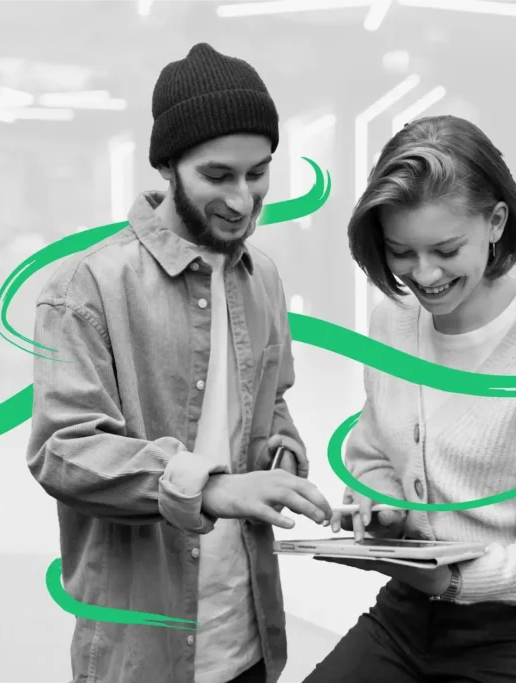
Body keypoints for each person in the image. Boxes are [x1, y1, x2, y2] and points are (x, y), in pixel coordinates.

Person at [26, 43, 333, 683]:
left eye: (259, 173)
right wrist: (209, 486)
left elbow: (271, 402)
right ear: (168, 165)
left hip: (248, 633)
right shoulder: (85, 287)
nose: (244, 199)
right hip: (145, 650)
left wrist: (283, 453)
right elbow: (62, 450)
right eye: (218, 176)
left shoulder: (263, 277)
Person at [304, 115, 516, 683]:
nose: (422, 274)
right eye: (400, 252)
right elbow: (375, 455)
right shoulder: (392, 325)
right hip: (410, 615)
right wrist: (381, 506)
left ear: (496, 223)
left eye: (445, 249)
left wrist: (459, 578)